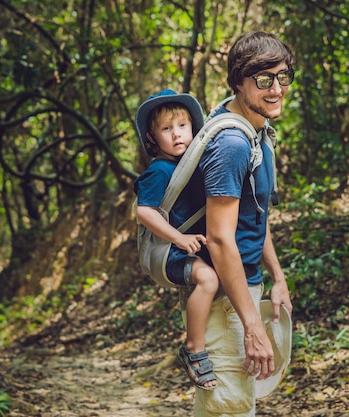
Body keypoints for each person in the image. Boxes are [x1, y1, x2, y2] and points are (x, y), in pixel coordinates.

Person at [181, 31, 295, 416]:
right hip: (226, 302)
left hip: (242, 292)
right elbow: (219, 239)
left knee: (232, 407)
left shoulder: (258, 131)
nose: (276, 88)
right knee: (228, 409)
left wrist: (277, 279)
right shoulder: (232, 143)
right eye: (263, 80)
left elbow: (255, 217)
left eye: (283, 77)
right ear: (238, 82)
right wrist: (252, 325)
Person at [133, 89, 219, 390]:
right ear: (153, 138)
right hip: (169, 252)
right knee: (208, 280)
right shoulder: (159, 170)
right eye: (167, 129)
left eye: (182, 126)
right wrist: (180, 239)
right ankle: (194, 350)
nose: (177, 134)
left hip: (188, 248)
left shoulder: (189, 166)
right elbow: (145, 212)